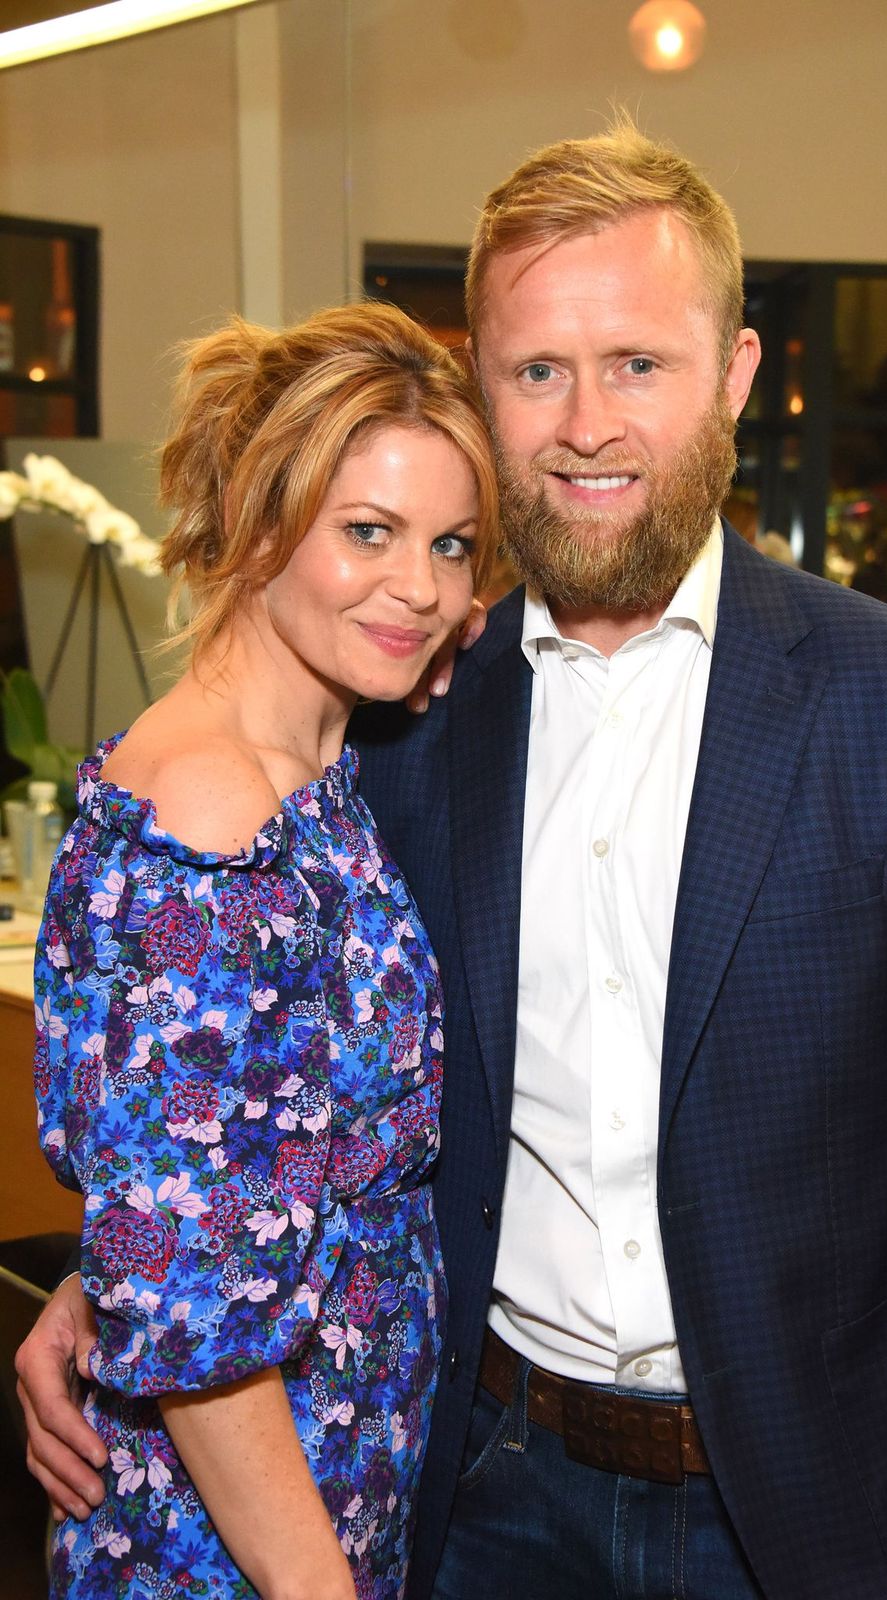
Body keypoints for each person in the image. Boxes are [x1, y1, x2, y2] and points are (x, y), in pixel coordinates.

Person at [18, 122, 887, 1600]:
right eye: (535, 372)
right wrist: (116, 1280)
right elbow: (264, 1078)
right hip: (478, 1492)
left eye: (636, 362)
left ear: (740, 378)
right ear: (485, 392)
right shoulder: (403, 723)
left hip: (809, 1510)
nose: (585, 422)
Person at [27, 300, 495, 1598]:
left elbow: (189, 1162)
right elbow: (195, 1322)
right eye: (368, 531)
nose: (422, 584)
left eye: (450, 544)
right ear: (256, 519)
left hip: (321, 1500)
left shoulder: (306, 769)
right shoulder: (218, 818)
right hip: (243, 1549)